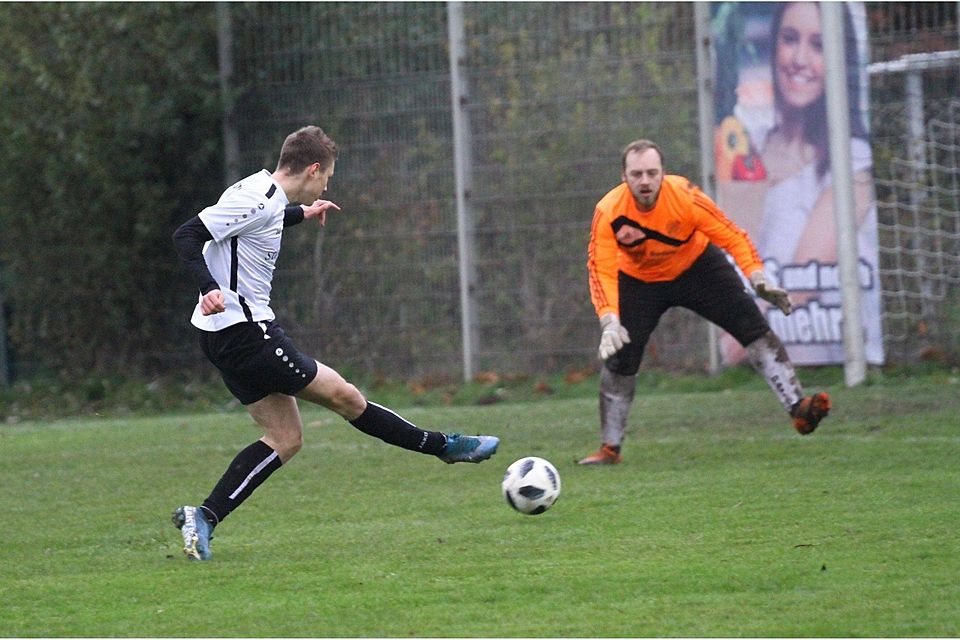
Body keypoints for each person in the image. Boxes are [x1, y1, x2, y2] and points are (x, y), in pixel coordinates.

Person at [171, 125, 499, 560]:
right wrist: (209, 287)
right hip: (248, 334)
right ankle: (444, 446)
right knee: (347, 398)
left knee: (285, 437)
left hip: (220, 339)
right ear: (312, 169)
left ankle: (204, 516)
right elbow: (186, 235)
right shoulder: (254, 198)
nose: (328, 184)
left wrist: (301, 214)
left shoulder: (262, 194)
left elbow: (257, 222)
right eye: (327, 176)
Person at [579, 139, 830, 465]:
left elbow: (731, 234)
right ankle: (610, 449)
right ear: (623, 176)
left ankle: (799, 409)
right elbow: (600, 268)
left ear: (663, 174)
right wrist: (609, 319)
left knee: (753, 328)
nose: (644, 181)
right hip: (639, 281)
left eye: (651, 173)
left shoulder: (685, 196)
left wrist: (756, 275)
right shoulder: (608, 210)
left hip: (696, 267)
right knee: (620, 357)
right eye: (636, 174)